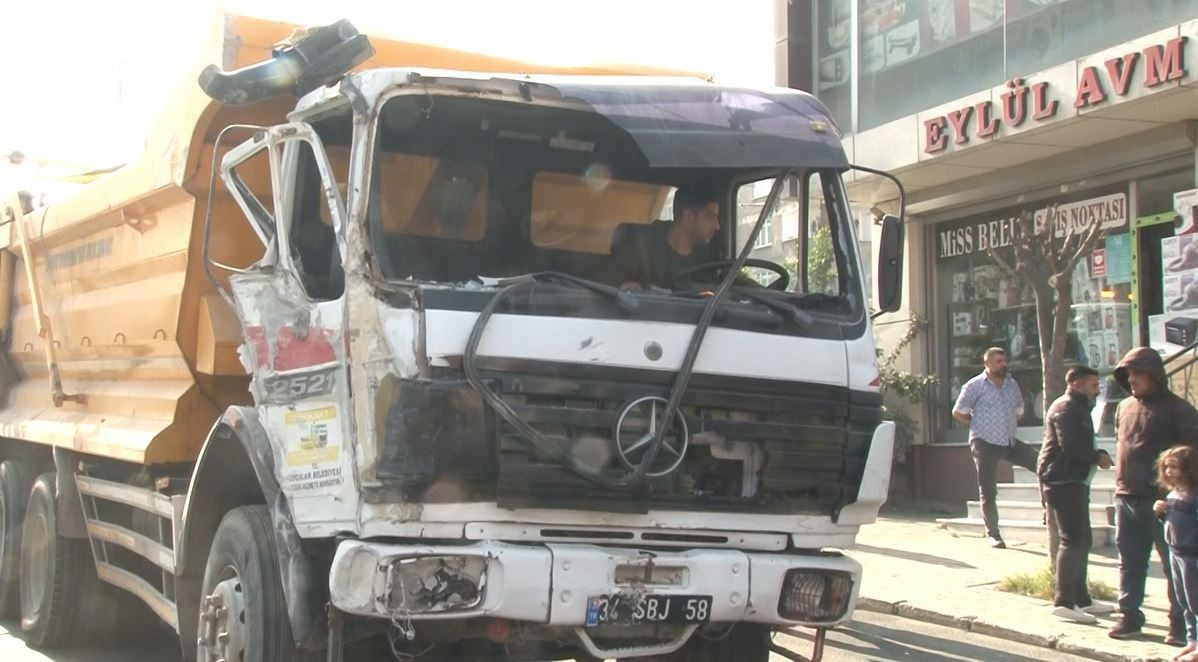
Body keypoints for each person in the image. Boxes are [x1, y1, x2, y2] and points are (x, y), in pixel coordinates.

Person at [1109, 347, 1198, 644]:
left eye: (1138, 373)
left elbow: (1192, 455)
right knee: (1130, 561)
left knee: (1174, 565)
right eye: (1128, 374)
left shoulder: (1180, 410)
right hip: (1125, 497)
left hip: (1162, 502)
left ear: (1154, 375)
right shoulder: (1123, 408)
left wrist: (1179, 493)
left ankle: (1179, 625)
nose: (1132, 380)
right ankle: (1129, 616)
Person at [1038, 365, 1114, 624]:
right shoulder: (1066, 408)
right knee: (1072, 540)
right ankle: (1064, 601)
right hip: (1063, 479)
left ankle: (1082, 598)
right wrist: (1098, 457)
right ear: (1078, 384)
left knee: (1083, 539)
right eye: (1094, 384)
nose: (1097, 389)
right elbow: (1069, 444)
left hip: (1075, 479)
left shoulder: (1079, 407)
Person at [953, 346, 1038, 549]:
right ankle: (993, 534)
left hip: (1008, 441)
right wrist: (976, 423)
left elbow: (1019, 411)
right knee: (988, 489)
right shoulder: (974, 386)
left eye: (1004, 360)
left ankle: (1048, 513)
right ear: (987, 363)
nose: (1004, 364)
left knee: (1041, 463)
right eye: (998, 361)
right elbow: (958, 412)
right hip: (984, 442)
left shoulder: (1012, 385)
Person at [602, 186, 720, 291]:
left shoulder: (708, 255)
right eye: (710, 217)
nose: (717, 226)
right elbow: (607, 283)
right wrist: (625, 286)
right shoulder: (641, 246)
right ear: (689, 216)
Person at [1155, 446, 1198, 661]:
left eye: (1174, 467)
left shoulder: (1193, 495)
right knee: (1184, 600)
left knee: (1196, 599)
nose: (1169, 471)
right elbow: (1173, 524)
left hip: (1192, 554)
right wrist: (1162, 513)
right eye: (1166, 467)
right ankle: (1192, 640)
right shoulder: (1173, 493)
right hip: (1176, 552)